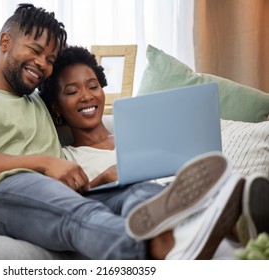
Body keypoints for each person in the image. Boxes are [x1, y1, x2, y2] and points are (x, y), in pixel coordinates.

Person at [0, 4, 244, 260]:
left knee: (142, 195)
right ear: (5, 42)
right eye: (36, 50)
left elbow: (79, 105)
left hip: (61, 191)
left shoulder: (39, 104)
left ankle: (186, 241)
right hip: (1, 194)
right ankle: (161, 254)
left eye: (50, 59)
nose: (42, 63)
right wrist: (45, 163)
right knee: (82, 216)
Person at [39, 45, 269, 256]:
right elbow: (64, 206)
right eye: (72, 92)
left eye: (93, 86)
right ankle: (229, 227)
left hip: (180, 193)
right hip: (140, 212)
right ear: (56, 106)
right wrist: (103, 179)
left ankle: (233, 222)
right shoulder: (67, 157)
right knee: (142, 194)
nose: (87, 96)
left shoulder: (144, 133)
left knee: (217, 183)